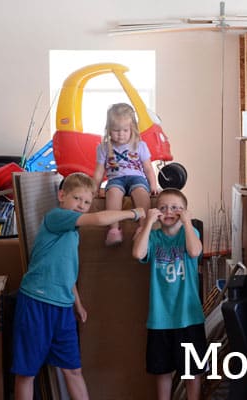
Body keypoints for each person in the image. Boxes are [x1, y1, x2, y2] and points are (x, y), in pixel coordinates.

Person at [11, 172, 146, 400]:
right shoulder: (57, 217)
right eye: (77, 199)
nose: (81, 206)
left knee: (73, 369)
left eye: (86, 202)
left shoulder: (73, 233)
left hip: (63, 307)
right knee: (26, 373)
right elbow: (98, 220)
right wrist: (133, 212)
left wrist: (78, 303)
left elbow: (66, 272)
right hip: (37, 301)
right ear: (61, 195)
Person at [131, 188, 207, 400]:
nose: (168, 211)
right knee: (162, 371)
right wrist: (148, 223)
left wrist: (188, 222)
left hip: (188, 317)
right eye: (163, 207)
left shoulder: (189, 234)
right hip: (160, 319)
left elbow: (194, 252)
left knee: (192, 371)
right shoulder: (153, 238)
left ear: (184, 211)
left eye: (175, 208)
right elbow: (137, 253)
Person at [93, 102, 159, 246]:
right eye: (116, 130)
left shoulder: (140, 145)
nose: (121, 134)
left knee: (142, 192)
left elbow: (148, 168)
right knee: (113, 193)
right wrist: (95, 188)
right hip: (116, 179)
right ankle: (114, 230)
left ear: (132, 129)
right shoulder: (103, 147)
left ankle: (143, 227)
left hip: (137, 177)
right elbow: (99, 171)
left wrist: (153, 185)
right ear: (109, 130)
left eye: (125, 130)